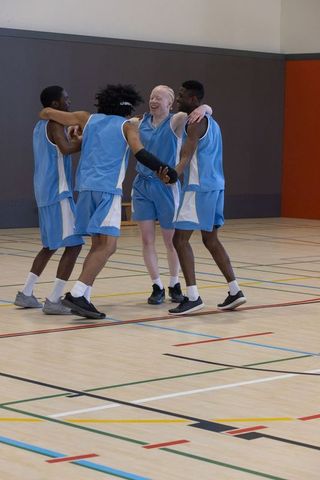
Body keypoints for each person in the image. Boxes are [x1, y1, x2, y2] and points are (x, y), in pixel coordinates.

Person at [39, 84, 177, 319]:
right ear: (127, 107)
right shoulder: (127, 126)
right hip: (107, 192)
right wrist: (166, 170)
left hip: (84, 190)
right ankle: (78, 293)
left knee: (97, 246)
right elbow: (141, 153)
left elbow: (46, 113)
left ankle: (86, 297)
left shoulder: (86, 118)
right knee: (108, 246)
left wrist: (71, 126)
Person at [166, 80, 246, 315]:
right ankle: (235, 290)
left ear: (193, 99)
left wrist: (172, 176)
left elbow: (186, 157)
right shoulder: (212, 121)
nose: (178, 98)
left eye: (181, 95)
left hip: (198, 188)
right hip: (216, 186)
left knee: (179, 240)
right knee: (210, 240)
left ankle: (193, 296)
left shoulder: (195, 124)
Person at [131, 85, 212, 305]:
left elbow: (202, 111)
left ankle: (174, 283)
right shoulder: (139, 123)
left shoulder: (176, 121)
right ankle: (156, 285)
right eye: (151, 97)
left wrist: (205, 107)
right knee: (147, 239)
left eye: (159, 98)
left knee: (171, 240)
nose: (154, 101)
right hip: (142, 185)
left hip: (166, 186)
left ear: (170, 102)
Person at [14, 85, 84, 315]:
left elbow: (58, 145)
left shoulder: (39, 126)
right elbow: (64, 149)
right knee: (74, 245)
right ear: (55, 104)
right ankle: (54, 300)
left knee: (50, 245)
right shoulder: (55, 124)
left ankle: (26, 293)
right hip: (58, 192)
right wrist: (86, 141)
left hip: (44, 192)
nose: (69, 102)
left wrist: (72, 136)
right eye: (66, 99)